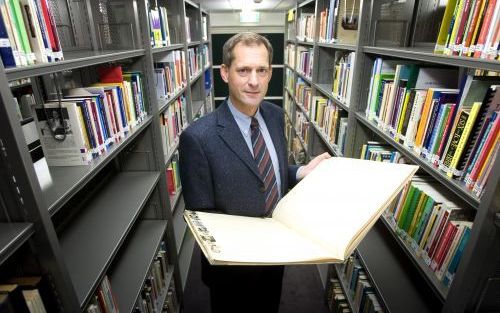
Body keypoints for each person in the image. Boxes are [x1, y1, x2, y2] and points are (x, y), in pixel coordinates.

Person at [179, 32, 330, 313]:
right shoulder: (198, 138)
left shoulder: (274, 115)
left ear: (270, 72)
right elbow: (202, 220)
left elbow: (266, 171)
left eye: (261, 70)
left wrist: (299, 172)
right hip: (233, 270)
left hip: (276, 254)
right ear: (225, 73)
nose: (254, 81)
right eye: (243, 70)